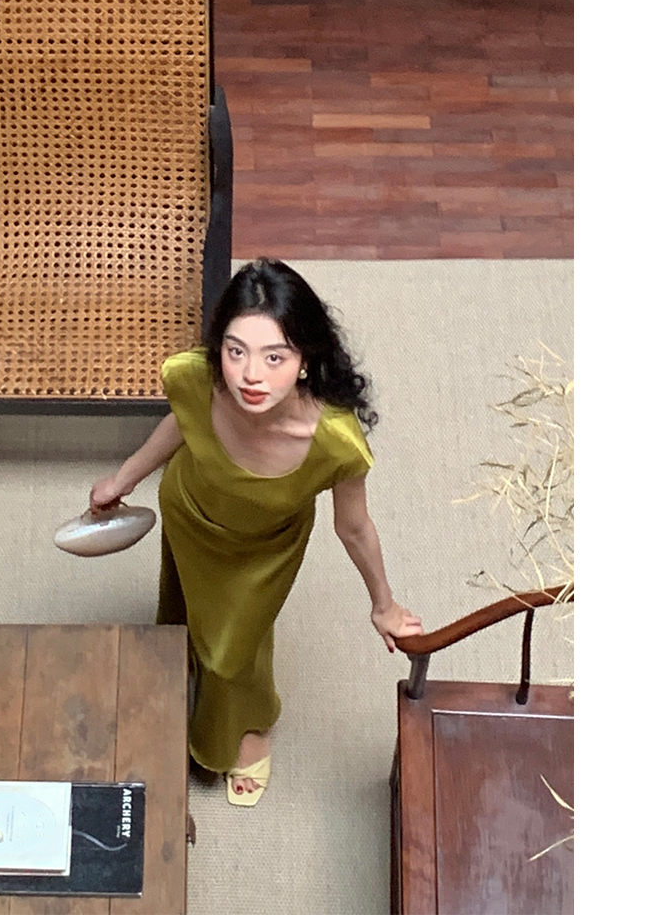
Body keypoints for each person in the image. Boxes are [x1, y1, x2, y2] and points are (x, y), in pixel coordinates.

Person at [90, 258, 422, 806]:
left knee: (229, 654)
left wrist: (383, 605)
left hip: (262, 553)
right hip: (189, 513)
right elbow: (182, 421)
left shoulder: (335, 443)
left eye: (275, 357)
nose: (250, 375)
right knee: (182, 608)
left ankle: (244, 729)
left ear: (305, 360)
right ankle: (179, 665)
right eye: (236, 350)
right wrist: (122, 478)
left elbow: (354, 527)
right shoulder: (195, 377)